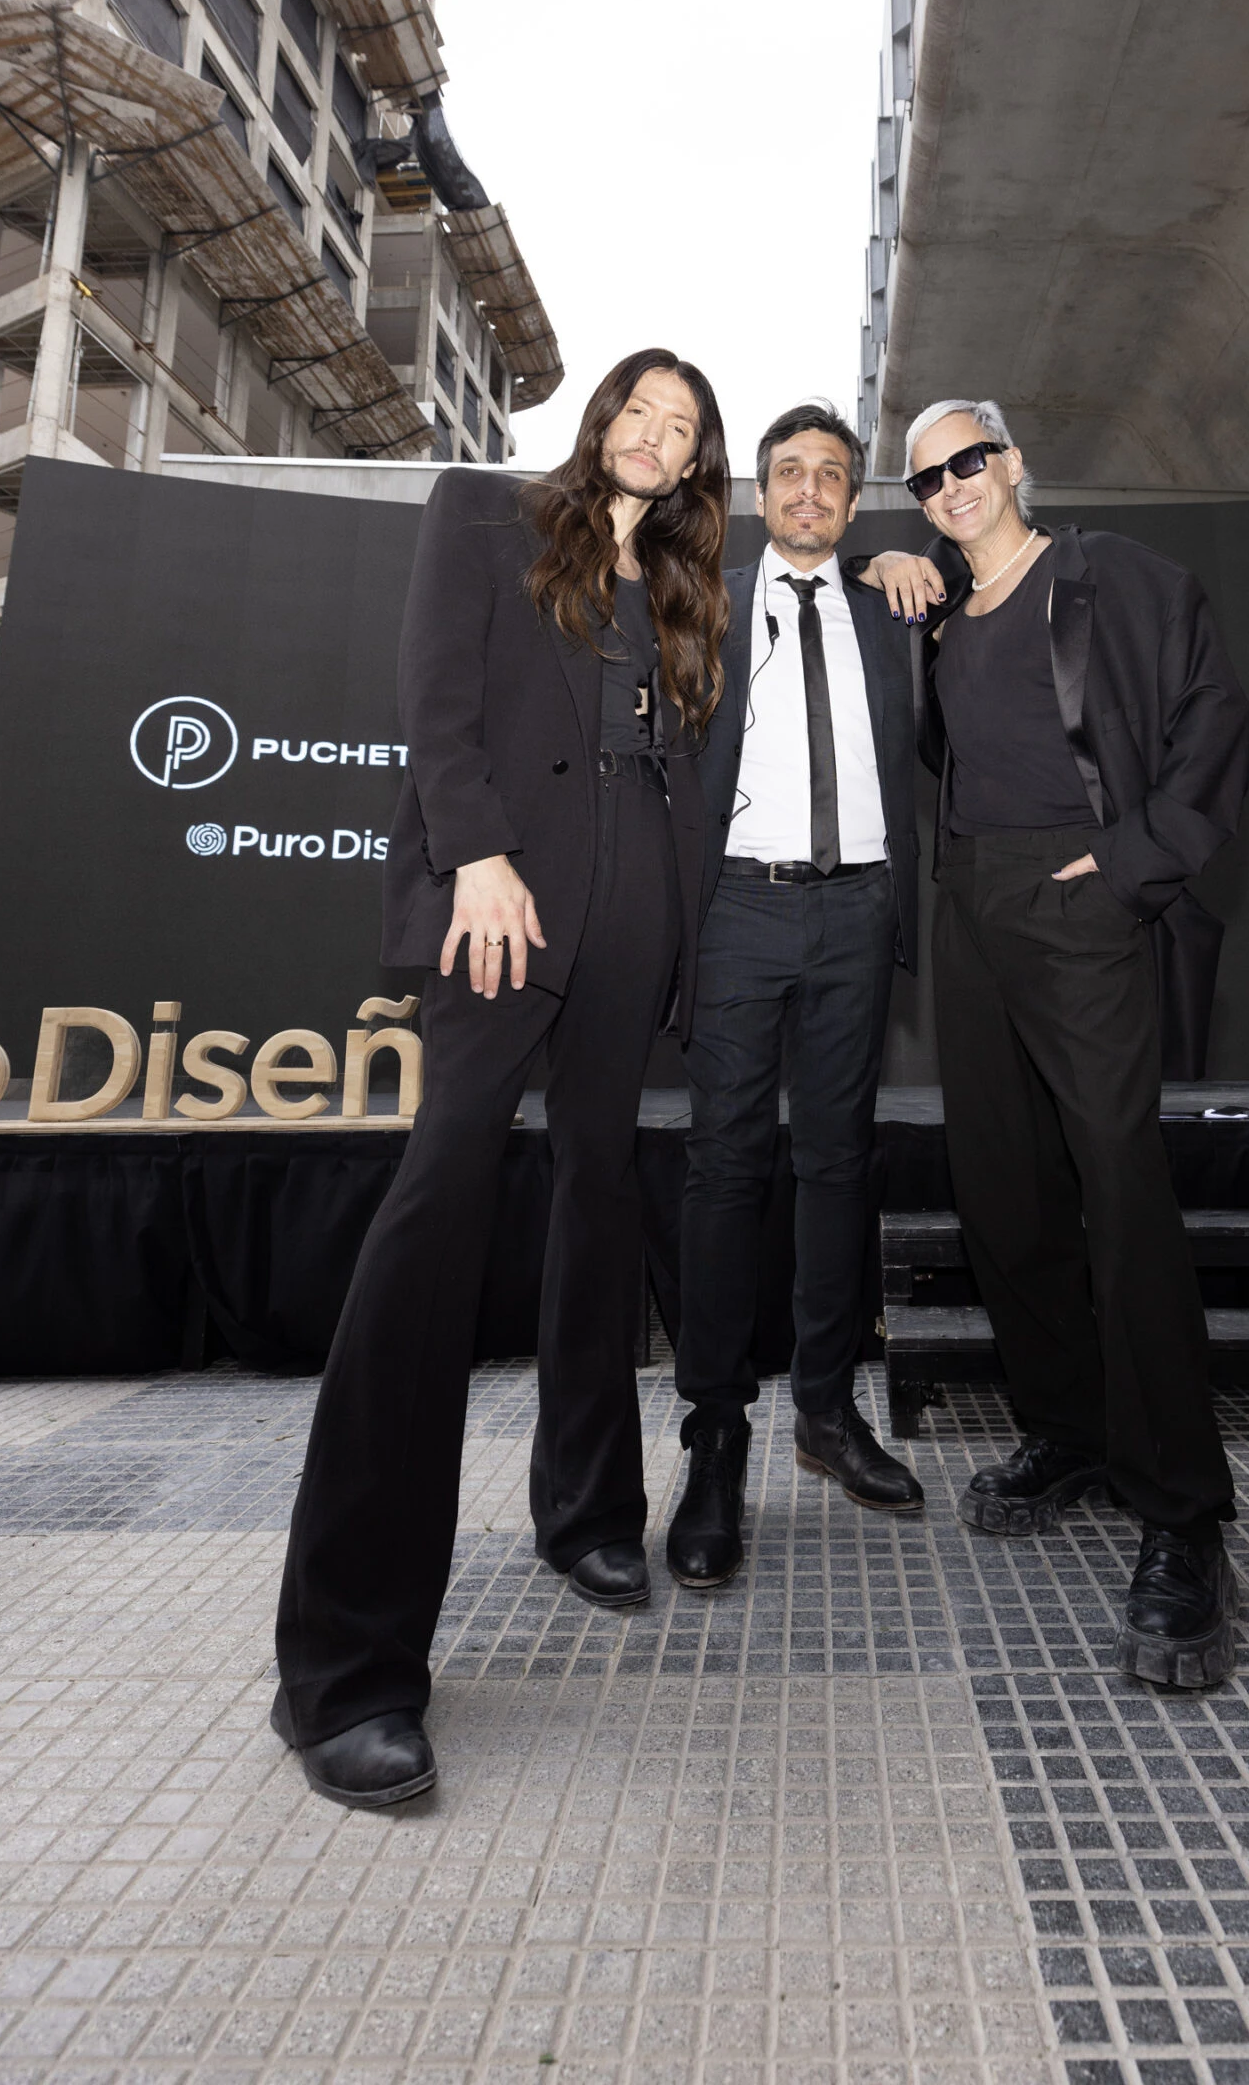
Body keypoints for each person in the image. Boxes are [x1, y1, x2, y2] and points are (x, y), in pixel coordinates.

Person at [272, 349, 728, 1807]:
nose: (656, 440)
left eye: (683, 429)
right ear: (598, 416)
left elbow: (679, 770)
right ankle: (340, 1670)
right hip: (499, 902)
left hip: (631, 917)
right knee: (435, 1215)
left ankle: (588, 1511)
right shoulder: (482, 513)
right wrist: (471, 855)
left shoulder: (679, 587)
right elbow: (437, 703)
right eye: (640, 413)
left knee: (602, 1199)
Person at [867, 398, 1249, 1687]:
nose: (953, 487)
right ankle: (1071, 1432)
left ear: (1014, 461)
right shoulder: (933, 610)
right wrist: (883, 558)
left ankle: (1184, 1518)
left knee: (1122, 1190)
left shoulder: (1115, 579)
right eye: (927, 480)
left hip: (1082, 893)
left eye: (970, 461)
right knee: (1003, 1189)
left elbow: (1211, 726)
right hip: (970, 896)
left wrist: (1130, 863)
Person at [665, 402, 923, 1590]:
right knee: (725, 1165)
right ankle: (715, 1433)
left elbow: (993, 578)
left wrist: (920, 561)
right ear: (760, 492)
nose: (810, 490)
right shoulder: (701, 596)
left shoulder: (894, 602)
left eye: (832, 474)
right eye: (789, 473)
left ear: (855, 498)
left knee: (839, 1164)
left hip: (858, 911)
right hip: (737, 909)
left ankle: (826, 1410)